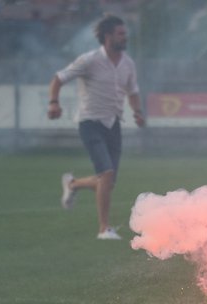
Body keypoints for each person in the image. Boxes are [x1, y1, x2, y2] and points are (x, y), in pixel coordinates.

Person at [47, 14, 145, 240]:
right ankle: (104, 229)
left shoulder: (128, 64)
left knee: (107, 183)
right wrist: (54, 102)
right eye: (121, 34)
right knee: (107, 174)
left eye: (125, 33)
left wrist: (138, 112)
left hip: (113, 124)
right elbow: (58, 79)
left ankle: (72, 184)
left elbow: (134, 92)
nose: (125, 37)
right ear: (108, 36)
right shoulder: (89, 60)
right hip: (90, 122)